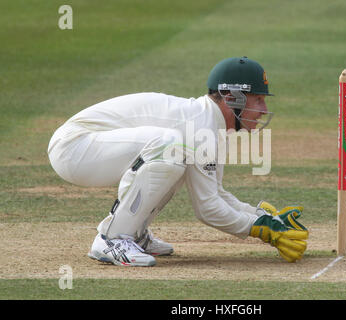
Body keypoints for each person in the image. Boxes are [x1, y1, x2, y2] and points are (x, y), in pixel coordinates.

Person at [47, 56, 309, 267]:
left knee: (175, 154)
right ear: (233, 98)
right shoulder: (199, 125)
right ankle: (112, 239)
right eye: (259, 100)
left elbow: (214, 195)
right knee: (170, 146)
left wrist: (261, 216)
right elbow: (208, 209)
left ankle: (133, 232)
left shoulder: (210, 127)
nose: (263, 110)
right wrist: (261, 229)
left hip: (90, 147)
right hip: (74, 148)